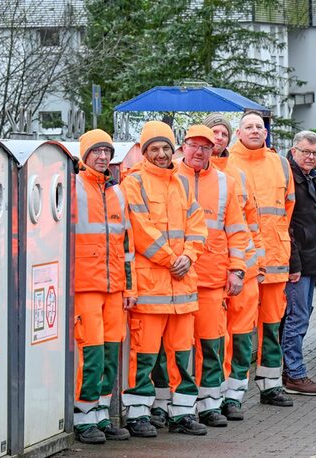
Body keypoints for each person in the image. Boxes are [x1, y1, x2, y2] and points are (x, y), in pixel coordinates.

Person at [120, 121, 209, 437]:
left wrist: (189, 255)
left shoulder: (182, 184)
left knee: (182, 355)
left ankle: (182, 413)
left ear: (174, 150)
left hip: (182, 289)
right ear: (144, 152)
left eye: (165, 148)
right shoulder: (134, 184)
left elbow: (198, 225)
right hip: (151, 288)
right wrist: (174, 259)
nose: (161, 154)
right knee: (143, 357)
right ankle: (138, 414)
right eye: (154, 149)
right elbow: (140, 231)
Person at [175, 125, 249, 426]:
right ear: (184, 146)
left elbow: (237, 230)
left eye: (205, 147)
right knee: (177, 348)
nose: (199, 151)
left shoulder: (225, 183)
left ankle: (209, 405)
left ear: (213, 150)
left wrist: (237, 269)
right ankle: (177, 406)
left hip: (212, 277)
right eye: (193, 145)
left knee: (211, 343)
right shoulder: (170, 177)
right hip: (177, 276)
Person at [72, 129, 136, 443]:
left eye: (107, 152)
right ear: (85, 156)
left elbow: (128, 247)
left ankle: (100, 415)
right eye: (96, 152)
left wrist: (129, 288)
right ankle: (83, 418)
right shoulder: (73, 189)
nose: (102, 157)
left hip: (114, 289)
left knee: (111, 352)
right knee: (91, 352)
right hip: (85, 286)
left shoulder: (117, 193)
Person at [229, 111, 296, 407]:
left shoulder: (280, 164)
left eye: (259, 126)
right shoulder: (228, 163)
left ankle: (271, 386)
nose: (255, 131)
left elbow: (288, 208)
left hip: (275, 261)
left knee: (271, 326)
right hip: (242, 263)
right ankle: (233, 393)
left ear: (266, 132)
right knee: (240, 330)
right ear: (238, 133)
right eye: (249, 127)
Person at [204, 113, 266, 420]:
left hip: (244, 271)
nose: (218, 137)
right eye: (213, 132)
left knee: (242, 337)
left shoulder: (238, 174)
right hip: (210, 272)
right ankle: (212, 396)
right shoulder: (186, 172)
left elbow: (251, 223)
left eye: (223, 133)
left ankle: (234, 396)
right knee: (215, 337)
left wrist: (255, 264)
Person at [282, 130, 316, 396]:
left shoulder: (310, 180)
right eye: (305, 152)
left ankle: (291, 371)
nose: (310, 157)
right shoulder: (289, 179)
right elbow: (286, 227)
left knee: (300, 316)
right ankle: (295, 374)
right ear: (294, 151)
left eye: (314, 153)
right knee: (296, 318)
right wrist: (294, 264)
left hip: (309, 263)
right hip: (296, 265)